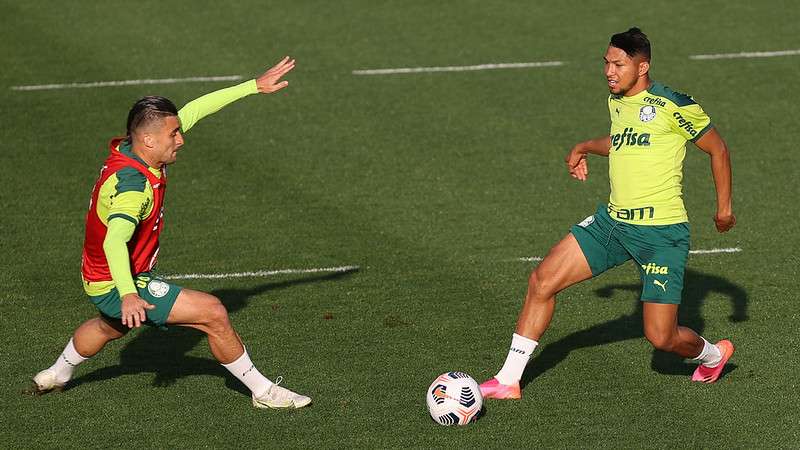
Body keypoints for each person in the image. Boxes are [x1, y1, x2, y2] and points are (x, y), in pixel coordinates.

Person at [29, 57, 311, 409]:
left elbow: (195, 109)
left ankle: (56, 373)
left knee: (109, 327)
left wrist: (253, 86)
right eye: (173, 134)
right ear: (149, 139)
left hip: (99, 274)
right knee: (213, 313)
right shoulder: (134, 186)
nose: (181, 139)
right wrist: (129, 294)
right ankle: (264, 392)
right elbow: (114, 240)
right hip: (117, 279)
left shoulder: (135, 150)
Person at [480, 28, 737, 399]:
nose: (609, 72)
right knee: (542, 281)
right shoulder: (617, 102)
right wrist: (585, 145)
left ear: (642, 66)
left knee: (661, 337)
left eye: (618, 64)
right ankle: (508, 379)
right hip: (613, 224)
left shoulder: (673, 105)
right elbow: (622, 142)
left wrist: (724, 209)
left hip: (661, 235)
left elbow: (718, 149)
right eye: (606, 63)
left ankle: (713, 355)